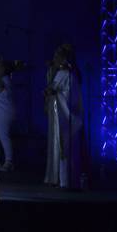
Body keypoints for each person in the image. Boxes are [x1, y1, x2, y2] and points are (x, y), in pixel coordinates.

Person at [44, 44, 85, 188]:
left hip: (62, 115)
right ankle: (67, 178)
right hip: (68, 115)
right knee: (68, 146)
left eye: (56, 56)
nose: (54, 59)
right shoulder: (72, 73)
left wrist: (50, 90)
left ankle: (64, 179)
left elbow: (51, 89)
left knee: (63, 145)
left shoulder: (64, 73)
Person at [0, 60, 16, 172]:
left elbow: (2, 89)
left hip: (4, 112)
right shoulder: (1, 80)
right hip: (0, 112)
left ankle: (9, 161)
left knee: (3, 136)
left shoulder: (5, 80)